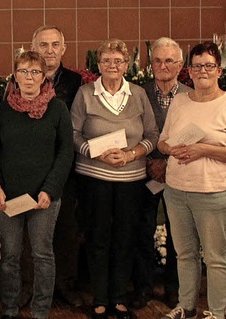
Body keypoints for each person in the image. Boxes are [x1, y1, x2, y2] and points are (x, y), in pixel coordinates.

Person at [71, 38, 159, 319]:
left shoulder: (138, 94)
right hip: (94, 177)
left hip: (131, 179)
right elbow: (72, 134)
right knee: (97, 237)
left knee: (125, 237)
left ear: (127, 65)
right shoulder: (85, 93)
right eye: (107, 60)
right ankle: (99, 298)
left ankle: (119, 298)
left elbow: (153, 136)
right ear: (98, 64)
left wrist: (132, 155)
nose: (113, 65)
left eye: (118, 61)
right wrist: (97, 154)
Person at [0, 51, 73, 319]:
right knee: (11, 256)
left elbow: (65, 153)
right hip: (9, 197)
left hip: (44, 197)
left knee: (42, 255)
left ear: (44, 76)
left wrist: (50, 189)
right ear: (15, 75)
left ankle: (40, 311)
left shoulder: (57, 109)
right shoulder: (3, 109)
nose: (28, 77)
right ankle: (10, 310)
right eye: (23, 71)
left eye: (35, 72)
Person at [158, 42, 226, 319]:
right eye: (197, 66)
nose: (202, 71)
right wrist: (170, 148)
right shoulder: (180, 101)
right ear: (189, 70)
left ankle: (218, 312)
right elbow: (162, 141)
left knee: (215, 258)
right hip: (176, 190)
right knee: (184, 254)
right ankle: (186, 308)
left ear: (219, 70)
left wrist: (204, 149)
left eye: (208, 65)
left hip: (211, 192)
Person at [132, 37, 191, 310]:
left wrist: (167, 163)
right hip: (146, 174)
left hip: (180, 174)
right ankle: (142, 288)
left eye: (169, 60)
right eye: (157, 60)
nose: (163, 65)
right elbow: (132, 133)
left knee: (179, 234)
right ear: (150, 63)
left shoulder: (191, 96)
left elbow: (193, 138)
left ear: (180, 65)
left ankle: (174, 289)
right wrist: (151, 163)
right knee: (141, 232)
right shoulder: (138, 94)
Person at [30, 25, 84, 308]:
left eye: (54, 45)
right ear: (33, 48)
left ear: (63, 49)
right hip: (29, 168)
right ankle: (34, 288)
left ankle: (66, 287)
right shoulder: (21, 80)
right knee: (31, 230)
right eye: (43, 45)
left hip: (66, 168)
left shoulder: (78, 82)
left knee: (66, 229)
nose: (49, 50)